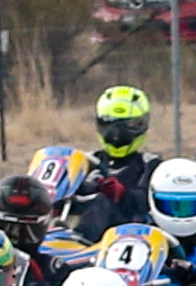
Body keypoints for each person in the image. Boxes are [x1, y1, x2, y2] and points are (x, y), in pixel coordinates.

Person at [67, 86, 161, 236]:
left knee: (102, 201)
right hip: (77, 230)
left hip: (127, 235)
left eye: (128, 125)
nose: (117, 134)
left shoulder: (150, 165)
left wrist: (122, 193)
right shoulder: (86, 162)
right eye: (109, 124)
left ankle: (79, 241)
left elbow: (146, 203)